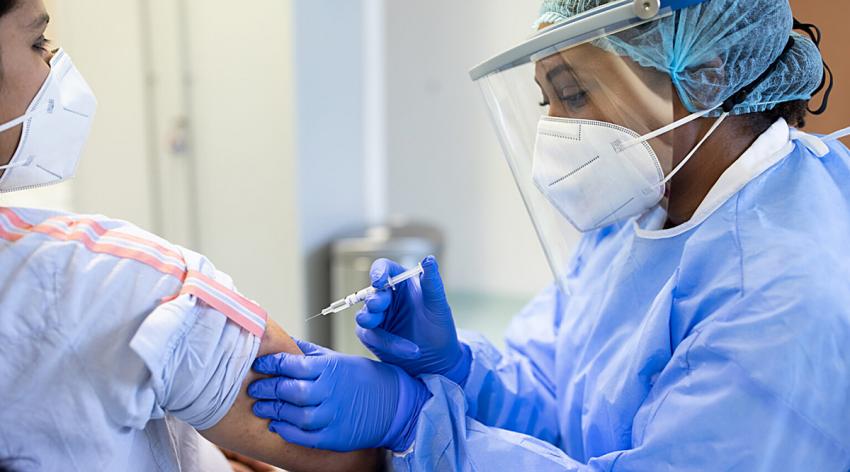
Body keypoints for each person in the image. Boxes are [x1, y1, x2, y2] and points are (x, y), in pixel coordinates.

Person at [248, 0, 850, 470]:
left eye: (572, 94)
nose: (554, 132)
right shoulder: (646, 210)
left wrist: (414, 425)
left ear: (704, 76)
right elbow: (560, 396)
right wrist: (459, 368)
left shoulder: (780, 294)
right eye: (546, 101)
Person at [0, 1, 381, 470]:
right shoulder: (117, 283)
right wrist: (416, 399)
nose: (52, 64)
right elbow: (364, 456)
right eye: (38, 42)